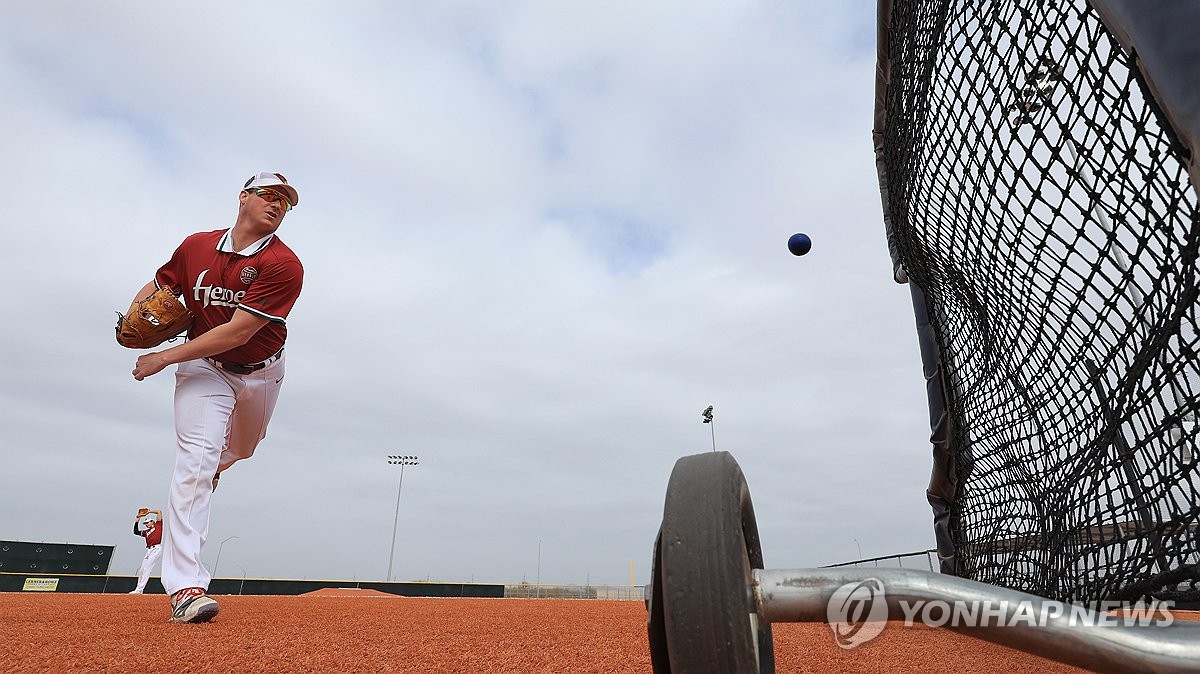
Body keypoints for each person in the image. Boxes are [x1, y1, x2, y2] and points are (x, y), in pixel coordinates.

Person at [126, 172, 304, 623]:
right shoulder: (195, 246)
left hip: (260, 372)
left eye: (286, 202)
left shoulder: (284, 265)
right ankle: (186, 587)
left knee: (243, 448)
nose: (278, 205)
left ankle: (218, 465)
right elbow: (161, 285)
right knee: (193, 464)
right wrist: (131, 318)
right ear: (244, 197)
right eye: (270, 195)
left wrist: (163, 356)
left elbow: (239, 332)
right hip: (204, 370)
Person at [130, 507, 163, 594]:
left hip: (156, 548)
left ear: (152, 522)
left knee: (147, 568)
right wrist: (137, 521)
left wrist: (149, 511)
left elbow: (159, 512)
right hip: (149, 550)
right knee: (142, 569)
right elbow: (136, 532)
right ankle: (139, 589)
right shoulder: (146, 532)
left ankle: (140, 589)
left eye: (147, 522)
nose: (146, 524)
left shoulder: (158, 525)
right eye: (145, 523)